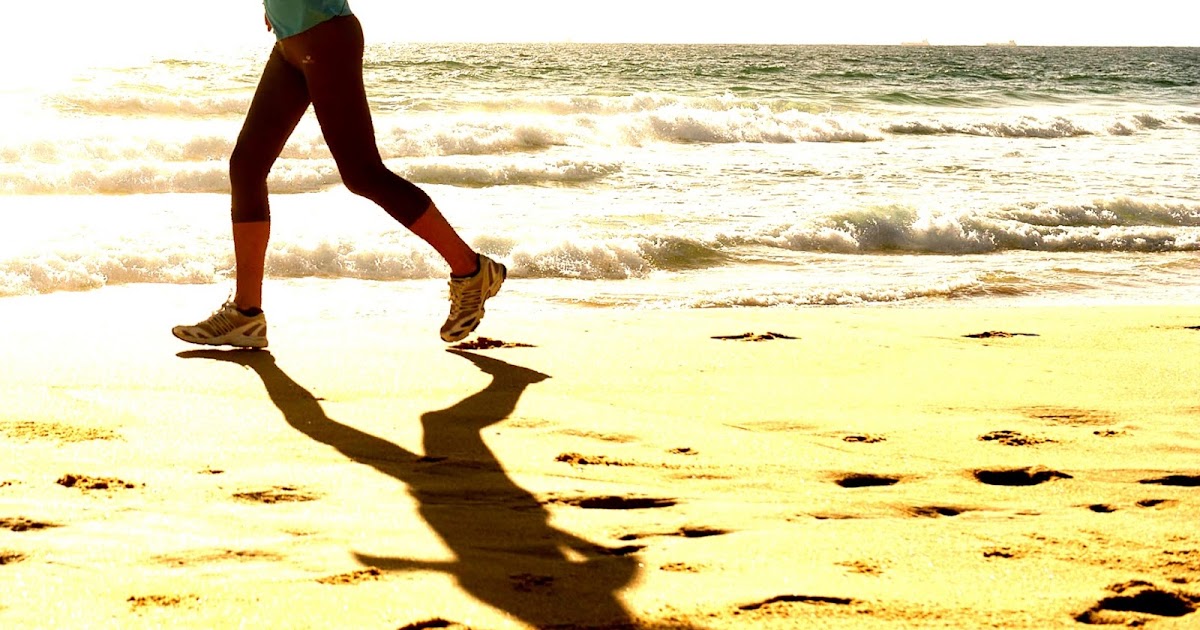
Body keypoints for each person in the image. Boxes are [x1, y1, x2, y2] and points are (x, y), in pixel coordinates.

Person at [173, 0, 504, 349]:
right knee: (246, 166)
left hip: (326, 37)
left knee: (362, 173)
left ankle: (471, 269)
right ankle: (246, 313)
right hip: (290, 44)